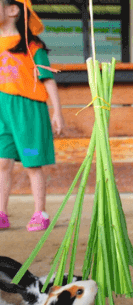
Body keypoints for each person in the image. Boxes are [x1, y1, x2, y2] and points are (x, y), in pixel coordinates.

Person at [0, 0, 64, 231]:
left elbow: (48, 78)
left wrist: (57, 111)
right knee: (2, 162)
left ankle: (40, 212)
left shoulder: (32, 45)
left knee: (31, 162)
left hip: (28, 108)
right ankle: (1, 213)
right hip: (2, 109)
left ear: (12, 9)